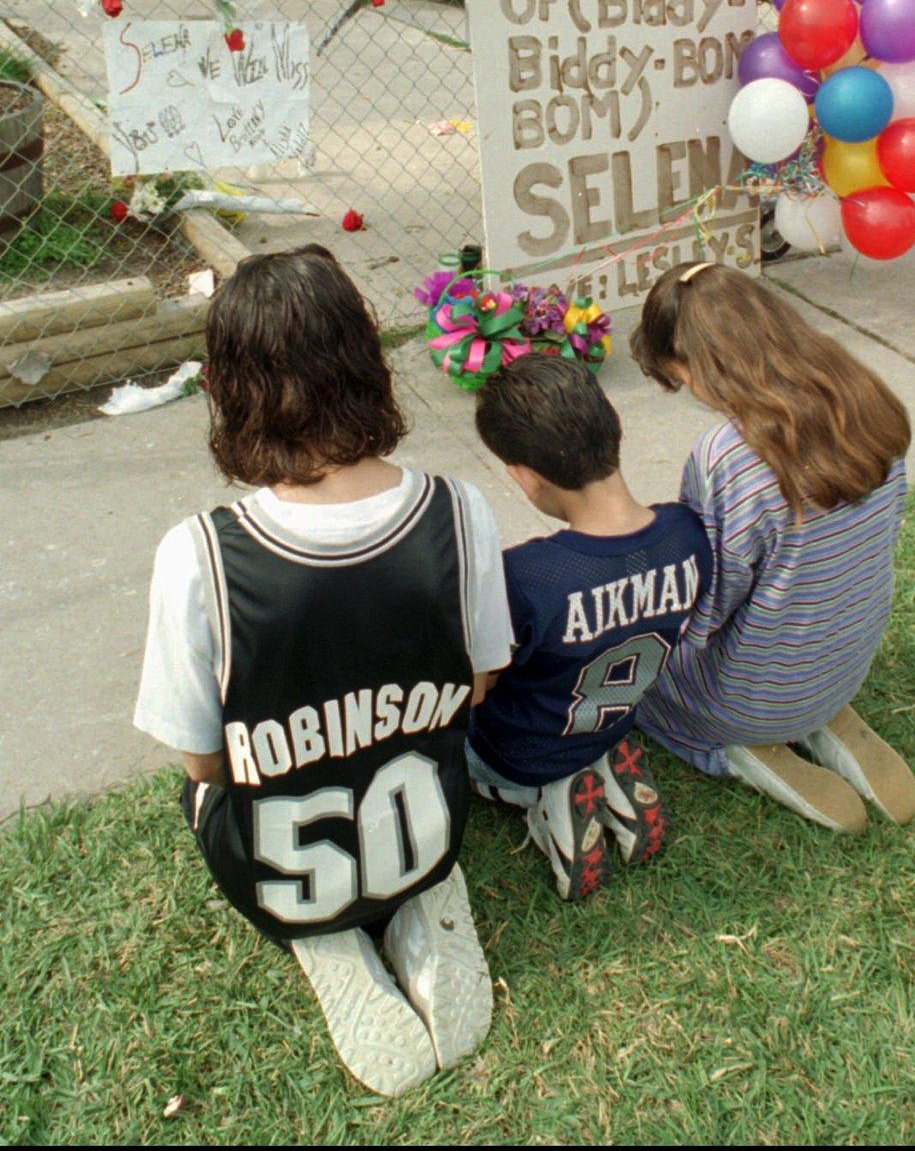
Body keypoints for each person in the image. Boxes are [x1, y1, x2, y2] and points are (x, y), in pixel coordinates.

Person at [133, 246, 513, 1097]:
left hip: (280, 869)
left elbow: (202, 762)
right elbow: (481, 683)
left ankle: (326, 934)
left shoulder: (199, 556)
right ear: (366, 359)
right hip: (427, 821)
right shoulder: (460, 510)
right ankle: (416, 898)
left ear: (228, 388)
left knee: (202, 787)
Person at [631, 260, 915, 835]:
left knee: (636, 683)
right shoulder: (868, 397)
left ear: (700, 364)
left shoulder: (730, 456)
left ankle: (737, 747)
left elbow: (709, 607)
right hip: (846, 660)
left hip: (748, 696)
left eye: (683, 378)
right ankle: (820, 714)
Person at [470, 353, 712, 899]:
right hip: (611, 719)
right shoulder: (689, 534)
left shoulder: (528, 576)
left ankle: (545, 798)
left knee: (460, 736)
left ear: (526, 478)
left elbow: (478, 688)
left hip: (515, 752)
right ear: (614, 427)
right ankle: (598, 773)